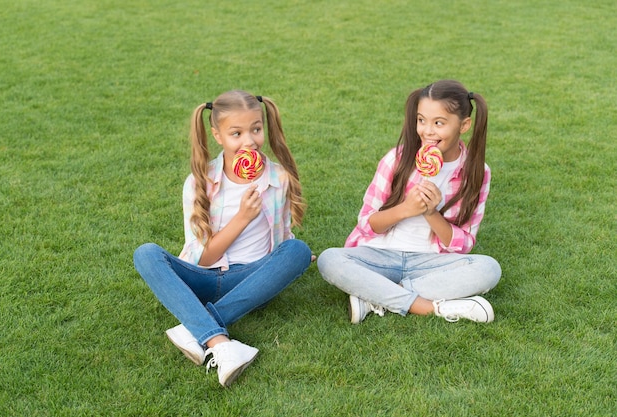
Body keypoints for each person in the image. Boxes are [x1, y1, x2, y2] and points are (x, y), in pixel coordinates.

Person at [133, 90, 312, 387]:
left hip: (250, 279)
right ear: (217, 135)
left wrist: (290, 259)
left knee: (298, 250)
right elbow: (204, 257)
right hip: (203, 276)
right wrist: (242, 217)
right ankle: (218, 341)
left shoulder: (278, 179)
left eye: (256, 129)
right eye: (236, 133)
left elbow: (283, 239)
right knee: (146, 253)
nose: (249, 141)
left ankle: (195, 328)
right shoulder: (200, 182)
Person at [318, 80, 501, 325]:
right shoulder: (396, 159)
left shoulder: (477, 173)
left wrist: (431, 213)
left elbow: (464, 244)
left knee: (489, 268)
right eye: (421, 120)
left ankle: (376, 295)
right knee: (329, 259)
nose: (427, 131)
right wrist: (405, 209)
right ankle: (429, 307)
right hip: (380, 254)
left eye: (439, 123)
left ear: (464, 125)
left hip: (430, 263)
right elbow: (366, 224)